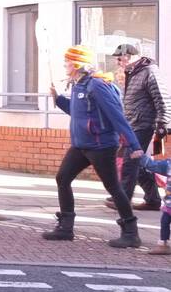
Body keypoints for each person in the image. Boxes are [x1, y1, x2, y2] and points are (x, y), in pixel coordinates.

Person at [43, 45, 144, 248]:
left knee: (113, 187)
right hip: (81, 145)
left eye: (68, 61)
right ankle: (65, 228)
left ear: (78, 64)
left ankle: (131, 233)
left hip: (101, 146)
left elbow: (116, 116)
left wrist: (133, 144)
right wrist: (59, 99)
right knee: (63, 178)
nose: (65, 64)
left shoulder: (97, 85)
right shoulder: (79, 84)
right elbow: (79, 113)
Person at [110, 43, 168, 212]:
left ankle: (122, 199)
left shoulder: (150, 71)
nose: (118, 62)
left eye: (120, 58)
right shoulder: (132, 73)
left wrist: (162, 126)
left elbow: (162, 99)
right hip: (133, 125)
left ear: (131, 56)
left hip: (147, 124)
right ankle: (152, 199)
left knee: (131, 160)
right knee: (138, 162)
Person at [133, 153, 171, 255]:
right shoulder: (169, 165)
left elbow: (152, 165)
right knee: (164, 222)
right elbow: (152, 165)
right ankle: (163, 244)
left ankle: (163, 244)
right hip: (169, 205)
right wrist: (140, 156)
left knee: (165, 221)